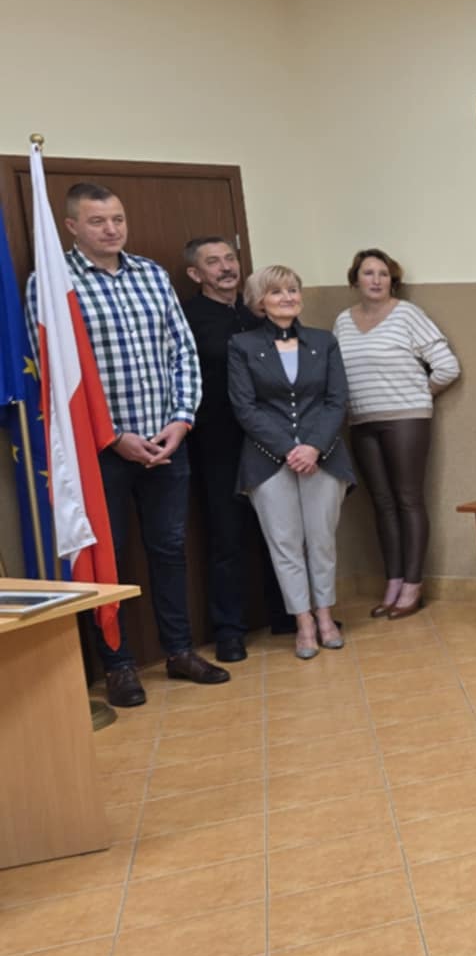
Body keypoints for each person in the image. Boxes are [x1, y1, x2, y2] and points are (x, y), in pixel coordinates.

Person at [28, 183, 226, 706]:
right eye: (98, 221)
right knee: (106, 558)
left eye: (117, 218)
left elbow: (182, 351)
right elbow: (54, 373)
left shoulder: (151, 274)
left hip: (167, 443)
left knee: (169, 549)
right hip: (101, 453)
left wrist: (181, 420)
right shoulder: (51, 282)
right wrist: (113, 437)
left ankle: (179, 651)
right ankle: (118, 667)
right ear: (72, 227)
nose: (111, 229)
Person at [227, 265, 353, 661]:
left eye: (293, 290)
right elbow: (244, 406)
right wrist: (288, 449)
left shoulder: (323, 341)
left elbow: (337, 400)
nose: (287, 297)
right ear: (259, 301)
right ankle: (303, 623)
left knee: (321, 540)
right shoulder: (242, 345)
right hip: (267, 460)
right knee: (284, 543)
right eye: (277, 291)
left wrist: (313, 447)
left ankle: (326, 617)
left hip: (324, 457)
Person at [331, 249, 459, 620]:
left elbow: (447, 367)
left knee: (407, 499)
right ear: (355, 280)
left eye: (383, 274)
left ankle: (413, 586)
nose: (376, 280)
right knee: (382, 503)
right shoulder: (343, 321)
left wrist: (418, 395)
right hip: (361, 420)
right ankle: (393, 581)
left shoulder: (407, 314)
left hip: (406, 418)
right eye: (368, 273)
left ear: (393, 281)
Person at [181, 235, 290, 661]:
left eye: (230, 258)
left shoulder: (257, 313)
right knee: (226, 537)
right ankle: (229, 630)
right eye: (213, 262)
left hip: (268, 440)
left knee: (278, 529)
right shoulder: (187, 317)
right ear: (195, 273)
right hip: (218, 442)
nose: (226, 267)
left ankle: (287, 613)